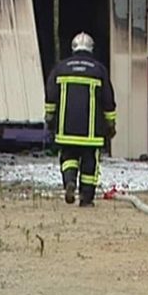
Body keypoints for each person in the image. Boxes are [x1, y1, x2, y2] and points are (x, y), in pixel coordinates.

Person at [45, 32, 117, 207]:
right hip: (91, 132)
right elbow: (108, 100)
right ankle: (86, 198)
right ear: (91, 48)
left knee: (68, 157)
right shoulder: (98, 70)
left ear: (73, 48)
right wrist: (110, 123)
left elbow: (51, 96)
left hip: (66, 130)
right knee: (89, 163)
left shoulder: (60, 68)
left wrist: (50, 118)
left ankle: (70, 181)